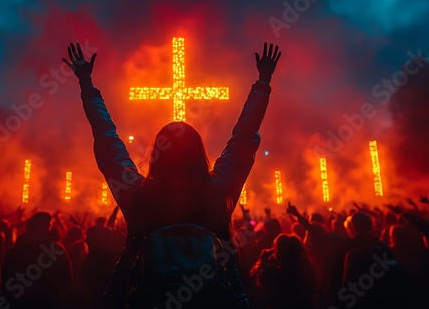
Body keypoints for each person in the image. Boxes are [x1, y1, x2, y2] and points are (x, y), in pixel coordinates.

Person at [62, 41, 281, 308]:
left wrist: (86, 84)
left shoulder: (138, 197)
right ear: (198, 152)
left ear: (158, 154)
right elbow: (244, 137)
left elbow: (106, 138)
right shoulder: (217, 192)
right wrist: (263, 82)